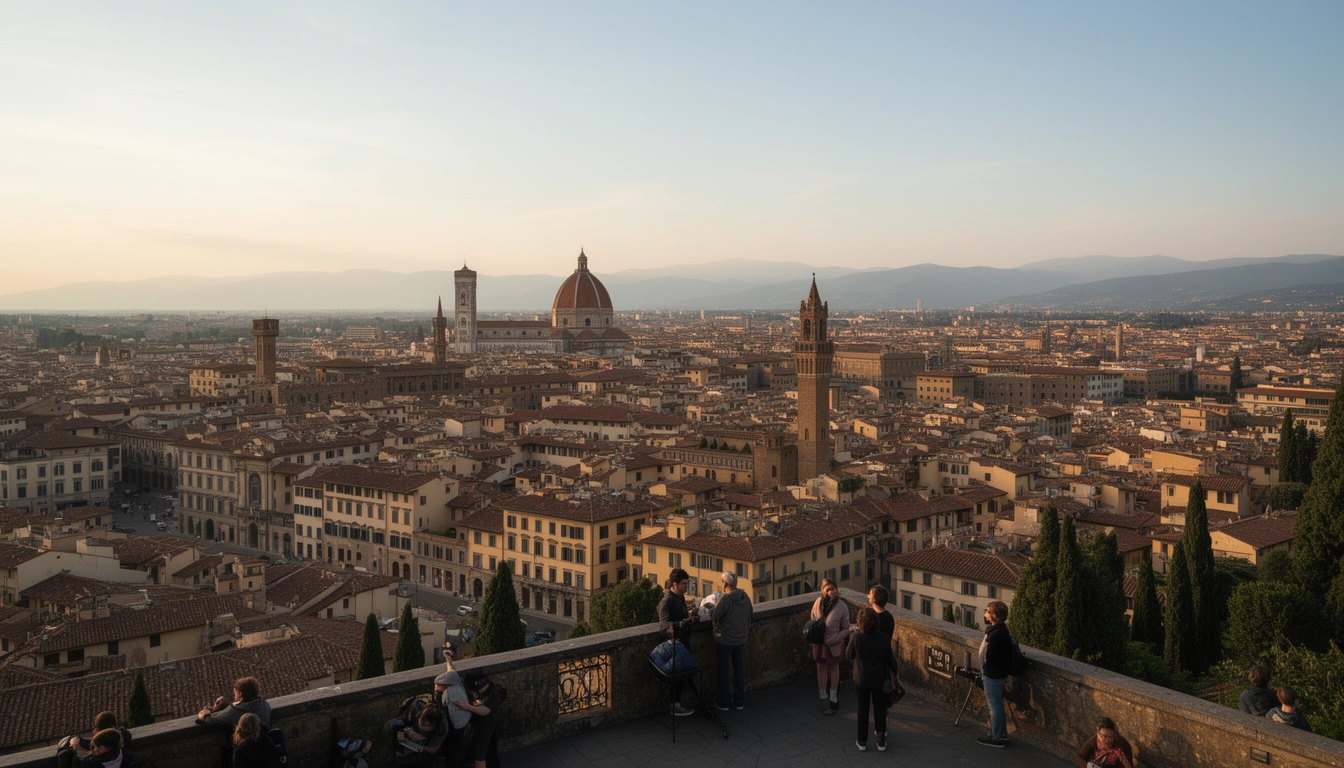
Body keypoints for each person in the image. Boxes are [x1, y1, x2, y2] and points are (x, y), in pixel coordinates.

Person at [845, 607, 900, 752]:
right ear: (876, 622)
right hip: (879, 679)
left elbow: (848, 654)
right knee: (880, 709)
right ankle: (881, 741)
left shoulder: (857, 638)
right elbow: (891, 661)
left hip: (861, 678)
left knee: (862, 709)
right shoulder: (884, 638)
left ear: (860, 622)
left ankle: (862, 741)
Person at [657, 567, 700, 717]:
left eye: (687, 584)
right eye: (683, 584)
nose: (686, 587)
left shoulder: (680, 597)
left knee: (683, 674)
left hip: (683, 642)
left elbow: (680, 615)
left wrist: (690, 614)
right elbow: (664, 627)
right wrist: (683, 622)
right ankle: (675, 706)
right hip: (674, 645)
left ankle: (678, 704)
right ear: (674, 584)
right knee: (678, 675)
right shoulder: (666, 601)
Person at [710, 570, 753, 711]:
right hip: (741, 638)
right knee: (739, 669)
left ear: (725, 583)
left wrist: (712, 606)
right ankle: (739, 700)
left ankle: (723, 702)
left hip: (725, 640)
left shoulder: (726, 599)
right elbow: (750, 612)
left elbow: (715, 615)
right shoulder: (745, 596)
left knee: (723, 670)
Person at [810, 577, 850, 715]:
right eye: (828, 589)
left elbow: (846, 628)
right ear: (822, 591)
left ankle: (833, 696)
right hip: (819, 642)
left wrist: (835, 639)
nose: (831, 591)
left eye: (833, 588)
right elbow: (813, 619)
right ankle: (823, 695)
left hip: (833, 643)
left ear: (837, 589)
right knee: (820, 667)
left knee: (833, 668)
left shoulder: (842, 607)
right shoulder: (818, 602)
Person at [977, 600, 1012, 748]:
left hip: (993, 674)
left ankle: (997, 737)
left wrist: (984, 669)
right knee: (996, 705)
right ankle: (999, 733)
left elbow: (989, 656)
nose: (985, 613)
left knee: (995, 706)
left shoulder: (996, 633)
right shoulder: (1001, 630)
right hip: (998, 673)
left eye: (987, 611)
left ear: (993, 615)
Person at [454, 673, 505, 768]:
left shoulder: (495, 694)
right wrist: (449, 661)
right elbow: (453, 675)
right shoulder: (478, 688)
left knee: (479, 756)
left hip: (485, 727)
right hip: (476, 723)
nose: (475, 693)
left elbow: (484, 711)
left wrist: (468, 706)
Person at [57, 712, 134, 768]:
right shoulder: (126, 753)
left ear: (102, 748)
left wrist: (75, 748)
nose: (93, 749)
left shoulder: (92, 763)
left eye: (94, 746)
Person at [197, 677, 272, 731]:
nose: (234, 696)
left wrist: (205, 711)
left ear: (240, 693)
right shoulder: (263, 703)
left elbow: (207, 719)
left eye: (235, 694)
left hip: (245, 748)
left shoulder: (235, 711)